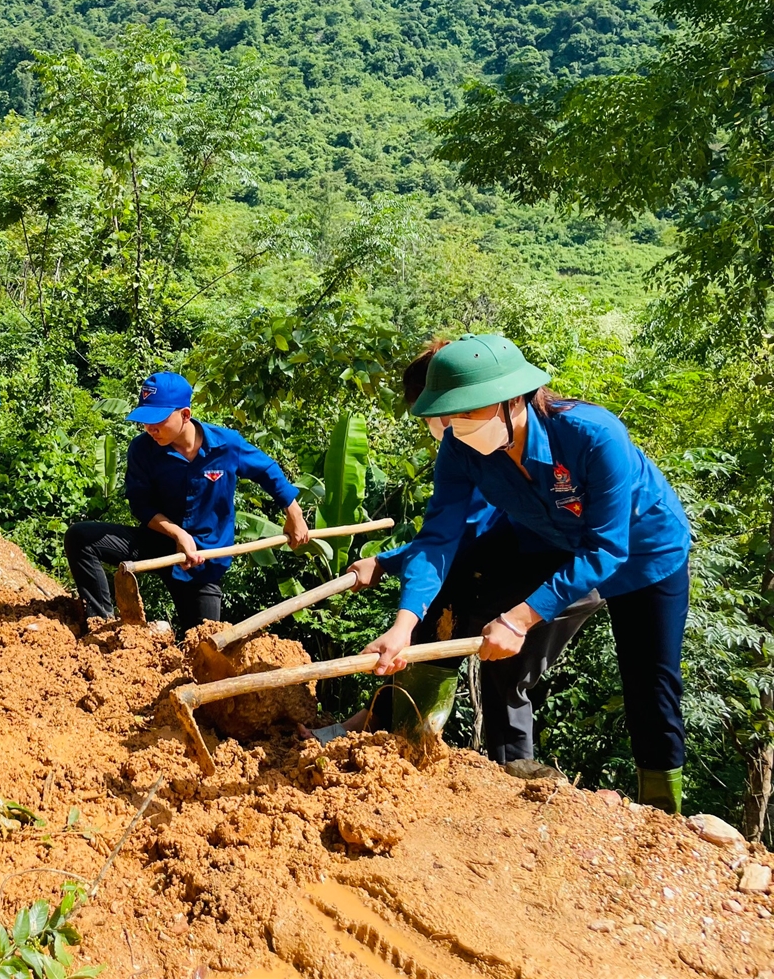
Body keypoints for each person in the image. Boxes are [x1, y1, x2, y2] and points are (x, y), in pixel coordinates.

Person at [348, 334, 691, 813]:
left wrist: (522, 617)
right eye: (451, 415)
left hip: (644, 553)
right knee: (468, 592)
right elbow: (440, 538)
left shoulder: (594, 435)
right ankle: (416, 740)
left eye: (468, 413)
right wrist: (404, 623)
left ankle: (662, 813)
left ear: (513, 401)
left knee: (649, 685)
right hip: (548, 541)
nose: (456, 426)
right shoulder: (461, 448)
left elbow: (607, 547)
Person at [309, 342, 602, 759]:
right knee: (433, 632)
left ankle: (492, 765)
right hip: (515, 558)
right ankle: (392, 735)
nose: (444, 423)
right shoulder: (466, 447)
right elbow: (439, 536)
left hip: (552, 567)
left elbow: (467, 534)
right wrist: (392, 585)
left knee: (501, 667)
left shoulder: (507, 446)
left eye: (451, 412)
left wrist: (386, 562)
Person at [64, 372, 310, 631]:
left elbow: (266, 471)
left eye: (158, 420)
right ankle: (100, 625)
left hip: (203, 560)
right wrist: (177, 533)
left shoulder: (226, 445)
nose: (151, 429)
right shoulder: (142, 449)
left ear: (185, 414)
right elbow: (140, 504)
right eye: (145, 422)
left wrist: (294, 513)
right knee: (81, 538)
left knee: (203, 643)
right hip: (158, 542)